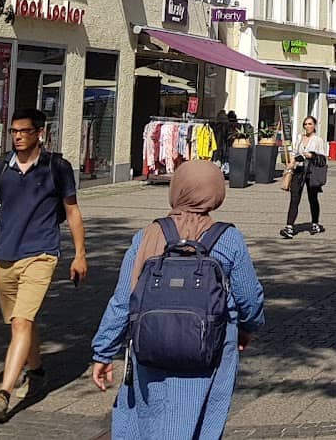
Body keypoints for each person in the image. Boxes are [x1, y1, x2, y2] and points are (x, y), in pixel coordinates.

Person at [89, 161, 265, 439]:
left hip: (151, 345)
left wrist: (103, 351)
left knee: (148, 416)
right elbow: (249, 298)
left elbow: (123, 300)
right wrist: (248, 328)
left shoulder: (148, 235)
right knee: (203, 420)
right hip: (210, 349)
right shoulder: (228, 238)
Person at [0, 107, 87, 421]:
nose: (18, 137)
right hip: (5, 256)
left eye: (24, 131)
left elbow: (73, 212)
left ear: (40, 132)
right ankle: (36, 372)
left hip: (42, 254)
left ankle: (4, 393)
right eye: (14, 131)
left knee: (22, 321)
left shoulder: (57, 167)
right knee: (22, 320)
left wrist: (80, 254)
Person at [281, 115, 329, 239]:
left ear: (314, 126)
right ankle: (289, 227)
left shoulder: (318, 140)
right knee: (294, 198)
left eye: (310, 124)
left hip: (311, 172)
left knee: (312, 198)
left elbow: (323, 159)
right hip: (299, 170)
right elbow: (294, 153)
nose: (307, 126)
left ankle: (314, 223)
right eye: (305, 124)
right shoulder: (299, 138)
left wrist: (311, 155)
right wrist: (291, 164)